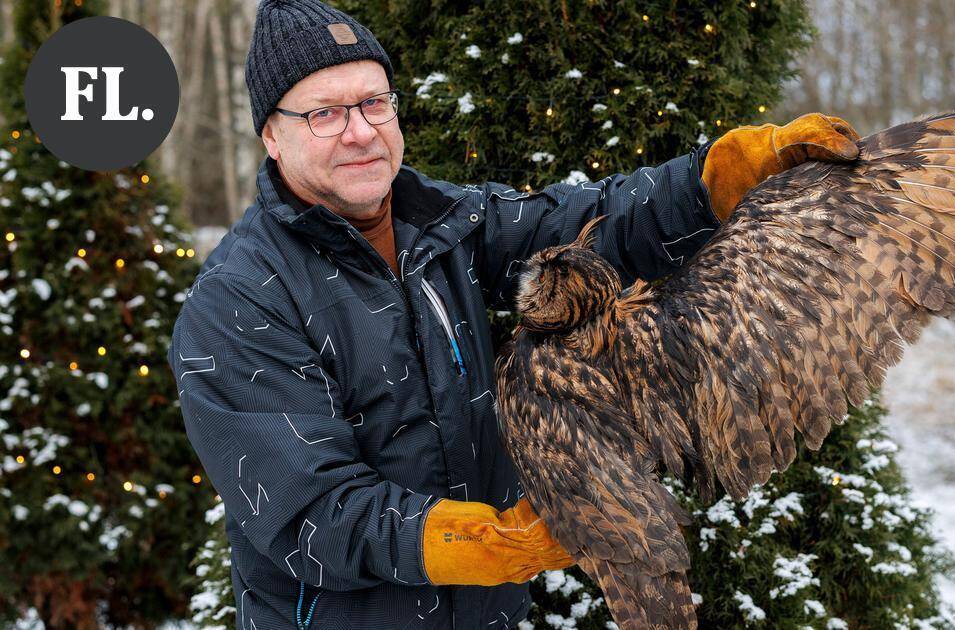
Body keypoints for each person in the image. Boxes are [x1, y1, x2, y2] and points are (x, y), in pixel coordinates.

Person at [167, 0, 860, 627]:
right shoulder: (237, 299)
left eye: (375, 102)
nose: (360, 132)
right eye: (324, 112)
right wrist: (488, 543)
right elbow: (309, 509)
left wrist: (717, 177)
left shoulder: (444, 225)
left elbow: (590, 224)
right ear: (271, 136)